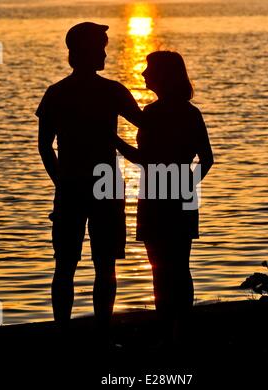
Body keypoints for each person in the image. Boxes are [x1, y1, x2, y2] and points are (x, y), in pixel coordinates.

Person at [36, 22, 142, 338]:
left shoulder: (56, 93)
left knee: (66, 265)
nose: (105, 53)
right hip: (105, 185)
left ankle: (64, 333)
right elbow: (146, 125)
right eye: (101, 47)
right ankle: (102, 333)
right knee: (103, 264)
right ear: (86, 52)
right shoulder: (112, 91)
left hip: (73, 185)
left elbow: (45, 146)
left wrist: (61, 181)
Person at [115, 51, 214, 346]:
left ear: (164, 76)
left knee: (161, 267)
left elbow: (141, 159)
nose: (144, 74)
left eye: (149, 69)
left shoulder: (153, 114)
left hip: (156, 198)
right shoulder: (189, 113)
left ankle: (167, 330)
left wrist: (111, 137)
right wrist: (186, 187)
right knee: (179, 268)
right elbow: (206, 159)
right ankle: (179, 331)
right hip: (178, 199)